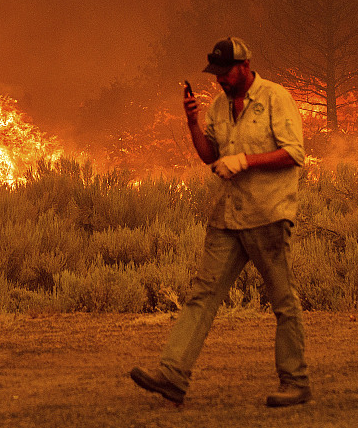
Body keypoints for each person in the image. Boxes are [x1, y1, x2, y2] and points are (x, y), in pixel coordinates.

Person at [129, 36, 311, 407]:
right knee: (202, 295)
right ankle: (173, 375)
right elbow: (208, 154)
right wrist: (192, 122)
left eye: (225, 73)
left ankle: (296, 382)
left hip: (267, 214)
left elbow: (294, 153)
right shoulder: (218, 107)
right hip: (228, 217)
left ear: (244, 66)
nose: (220, 80)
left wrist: (245, 160)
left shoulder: (276, 98)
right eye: (216, 74)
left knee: (282, 301)